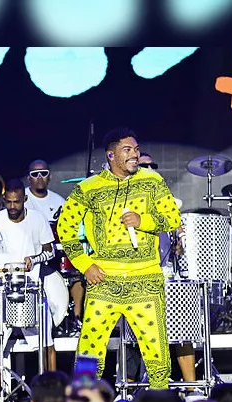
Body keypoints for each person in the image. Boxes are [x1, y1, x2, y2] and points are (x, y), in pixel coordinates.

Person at [57, 128, 181, 388]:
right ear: (111, 155)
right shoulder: (89, 188)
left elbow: (173, 218)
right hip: (105, 281)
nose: (135, 155)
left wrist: (142, 220)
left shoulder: (152, 181)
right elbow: (65, 228)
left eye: (136, 149)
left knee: (156, 349)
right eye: (128, 150)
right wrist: (85, 264)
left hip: (145, 278)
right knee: (90, 349)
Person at [124, 153, 198, 393]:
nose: (148, 168)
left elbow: (180, 242)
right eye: (143, 165)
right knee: (134, 337)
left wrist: (180, 237)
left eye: (151, 165)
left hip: (167, 276)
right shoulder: (127, 203)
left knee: (182, 331)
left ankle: (191, 389)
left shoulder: (168, 203)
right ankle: (131, 389)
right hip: (138, 276)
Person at [0, 179, 57, 370]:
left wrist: (34, 259)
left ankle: (52, 388)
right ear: (4, 200)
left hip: (30, 289)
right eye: (9, 202)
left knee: (46, 342)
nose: (12, 207)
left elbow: (51, 251)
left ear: (25, 199)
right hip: (2, 290)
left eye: (16, 202)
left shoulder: (37, 219)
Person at [26, 159, 85, 329]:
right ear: (29, 178)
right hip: (29, 253)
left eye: (43, 173)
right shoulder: (22, 199)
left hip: (54, 253)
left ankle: (76, 319)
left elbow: (69, 229)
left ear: (49, 177)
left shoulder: (59, 201)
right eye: (34, 174)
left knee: (76, 275)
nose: (39, 177)